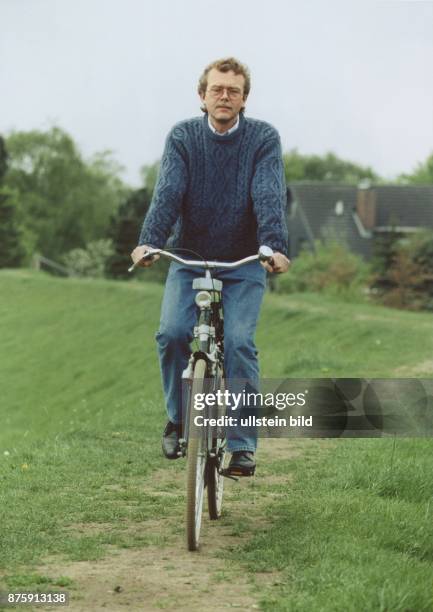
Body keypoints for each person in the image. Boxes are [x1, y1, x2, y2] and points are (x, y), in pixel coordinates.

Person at [131, 57, 290, 476]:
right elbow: (168, 191)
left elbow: (268, 193)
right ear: (202, 96)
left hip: (244, 260)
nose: (224, 96)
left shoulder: (262, 138)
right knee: (171, 334)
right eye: (217, 89)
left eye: (233, 91)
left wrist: (272, 245)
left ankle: (241, 448)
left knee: (238, 342)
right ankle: (179, 418)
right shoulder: (183, 136)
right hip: (190, 256)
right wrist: (149, 241)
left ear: (243, 99)